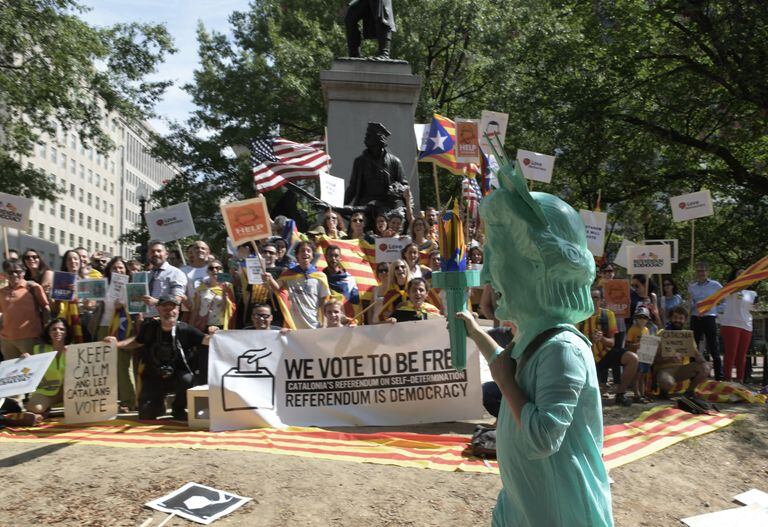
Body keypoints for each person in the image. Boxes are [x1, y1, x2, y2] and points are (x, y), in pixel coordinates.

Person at [457, 157, 612, 526]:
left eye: (501, 256)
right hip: (524, 499)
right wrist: (478, 334)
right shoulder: (535, 339)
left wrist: (504, 380)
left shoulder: (563, 349)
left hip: (559, 508)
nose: (490, 272)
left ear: (538, 266)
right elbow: (513, 370)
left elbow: (544, 437)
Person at [107, 296, 217, 420]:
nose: (169, 312)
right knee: (146, 415)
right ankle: (158, 405)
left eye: (173, 308)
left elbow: (207, 340)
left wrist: (214, 333)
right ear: (158, 309)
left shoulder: (185, 329)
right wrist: (116, 344)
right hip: (153, 376)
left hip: (178, 376)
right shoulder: (150, 327)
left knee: (187, 379)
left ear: (178, 310)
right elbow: (137, 341)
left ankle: (179, 408)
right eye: (165, 308)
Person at [89, 256, 137, 411]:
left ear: (126, 270)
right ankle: (105, 400)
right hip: (103, 327)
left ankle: (128, 401)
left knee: (123, 365)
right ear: (109, 270)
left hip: (122, 328)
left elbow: (139, 309)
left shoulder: (132, 286)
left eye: (121, 268)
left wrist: (124, 305)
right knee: (102, 366)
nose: (118, 270)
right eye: (115, 268)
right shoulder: (102, 285)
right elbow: (91, 305)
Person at [579, 288, 638, 406]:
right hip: (586, 358)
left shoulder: (608, 314)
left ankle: (620, 394)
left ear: (601, 300)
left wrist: (601, 338)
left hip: (605, 355)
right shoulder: (579, 316)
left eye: (596, 297)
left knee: (633, 358)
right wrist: (589, 340)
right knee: (595, 395)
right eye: (590, 297)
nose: (593, 300)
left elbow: (612, 342)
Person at [264, 241, 330, 329]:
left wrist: (324, 322)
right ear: (297, 255)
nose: (305, 253)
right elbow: (277, 288)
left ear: (312, 255)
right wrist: (270, 279)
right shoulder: (288, 274)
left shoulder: (320, 276)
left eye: (308, 251)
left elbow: (324, 301)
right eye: (302, 251)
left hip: (314, 323)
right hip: (293, 324)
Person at [0, 259, 51, 360]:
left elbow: (46, 308)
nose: (14, 275)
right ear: (5, 274)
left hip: (30, 338)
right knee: (11, 374)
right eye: (10, 272)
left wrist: (44, 329)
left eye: (17, 271)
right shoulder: (1, 292)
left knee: (30, 371)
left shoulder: (33, 287)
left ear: (23, 272)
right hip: (7, 340)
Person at [654, 306, 709, 398]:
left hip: (681, 370)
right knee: (667, 383)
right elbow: (652, 361)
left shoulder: (687, 336)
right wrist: (667, 358)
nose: (678, 320)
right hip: (664, 370)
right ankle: (663, 392)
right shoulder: (661, 334)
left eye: (681, 318)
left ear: (685, 320)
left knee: (705, 367)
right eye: (675, 317)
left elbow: (697, 355)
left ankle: (690, 392)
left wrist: (704, 363)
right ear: (670, 318)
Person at [26, 318, 71, 418]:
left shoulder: (74, 349)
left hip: (70, 391)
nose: (57, 331)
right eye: (54, 329)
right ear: (49, 333)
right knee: (34, 408)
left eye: (61, 329)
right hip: (47, 391)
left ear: (67, 333)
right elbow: (29, 371)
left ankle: (46, 411)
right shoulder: (39, 349)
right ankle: (47, 407)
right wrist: (25, 361)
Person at [719, 269, 757, 383]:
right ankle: (727, 380)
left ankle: (740, 380)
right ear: (734, 276)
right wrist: (738, 284)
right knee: (731, 353)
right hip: (731, 324)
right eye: (739, 273)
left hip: (746, 325)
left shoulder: (752, 293)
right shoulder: (730, 288)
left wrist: (755, 307)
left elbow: (752, 308)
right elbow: (722, 296)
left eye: (744, 273)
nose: (742, 275)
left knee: (742, 355)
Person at [687, 262, 723, 379]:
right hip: (696, 318)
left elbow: (725, 300)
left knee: (714, 347)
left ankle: (719, 377)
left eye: (703, 271)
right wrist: (690, 302)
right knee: (693, 347)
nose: (701, 273)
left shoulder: (716, 285)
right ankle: (693, 376)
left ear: (708, 272)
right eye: (699, 271)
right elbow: (690, 305)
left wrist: (716, 310)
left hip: (709, 318)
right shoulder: (692, 287)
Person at [142, 240, 188, 317]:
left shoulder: (176, 273)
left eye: (159, 251)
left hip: (165, 319)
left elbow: (177, 299)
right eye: (152, 252)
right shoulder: (146, 275)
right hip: (146, 321)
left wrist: (156, 302)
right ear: (148, 255)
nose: (156, 254)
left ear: (166, 254)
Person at [190, 259, 236, 332]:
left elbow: (229, 309)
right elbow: (196, 309)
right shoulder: (201, 288)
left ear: (222, 271)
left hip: (221, 325)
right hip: (203, 325)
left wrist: (224, 292)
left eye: (218, 268)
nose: (215, 270)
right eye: (211, 268)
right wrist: (191, 327)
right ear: (207, 272)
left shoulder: (228, 286)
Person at [322, 245, 361, 321]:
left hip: (345, 322)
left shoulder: (349, 279)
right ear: (326, 257)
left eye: (336, 256)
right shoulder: (320, 278)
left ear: (340, 258)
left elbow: (356, 305)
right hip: (327, 323)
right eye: (331, 255)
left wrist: (355, 321)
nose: (333, 258)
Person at [625, 306, 651, 403]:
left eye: (644, 317)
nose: (642, 320)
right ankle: (637, 395)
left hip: (645, 357)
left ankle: (643, 394)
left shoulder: (646, 330)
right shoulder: (632, 330)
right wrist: (637, 345)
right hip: (636, 357)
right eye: (640, 317)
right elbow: (627, 344)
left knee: (643, 376)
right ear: (636, 318)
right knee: (637, 376)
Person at [180, 241, 212, 312]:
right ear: (192, 252)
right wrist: (191, 309)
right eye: (197, 248)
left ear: (208, 252)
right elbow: (181, 293)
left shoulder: (214, 269)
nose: (200, 250)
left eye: (203, 248)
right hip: (191, 312)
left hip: (213, 313)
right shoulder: (182, 271)